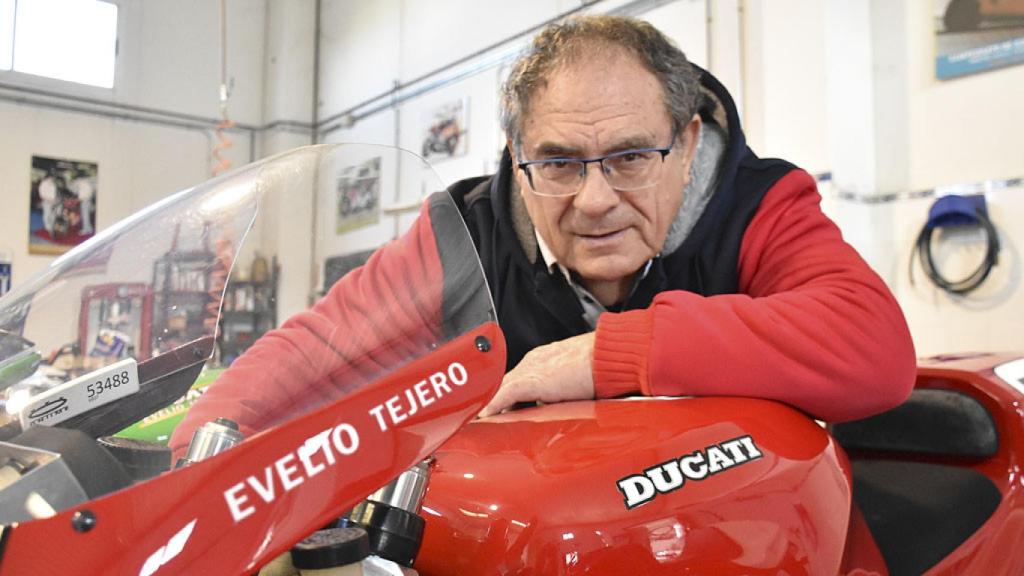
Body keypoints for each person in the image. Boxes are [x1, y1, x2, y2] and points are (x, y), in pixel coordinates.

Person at [172, 15, 915, 453]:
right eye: (557, 163)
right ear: (517, 162)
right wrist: (198, 451)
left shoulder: (758, 204)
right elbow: (315, 348)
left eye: (630, 156)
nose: (594, 200)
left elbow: (875, 349)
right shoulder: (468, 230)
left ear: (686, 146)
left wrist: (609, 356)